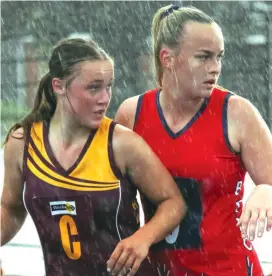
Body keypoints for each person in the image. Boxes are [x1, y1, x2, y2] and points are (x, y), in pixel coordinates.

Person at [0, 38, 187, 276]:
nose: (105, 98)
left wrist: (143, 238)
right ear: (59, 86)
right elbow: (11, 208)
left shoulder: (122, 144)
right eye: (93, 87)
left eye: (108, 86)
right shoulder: (22, 143)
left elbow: (174, 203)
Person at [115, 4, 272, 276]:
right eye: (204, 57)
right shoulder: (132, 114)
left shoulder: (237, 113)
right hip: (160, 270)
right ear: (168, 58)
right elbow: (112, 201)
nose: (215, 68)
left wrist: (266, 190)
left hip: (229, 269)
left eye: (219, 57)